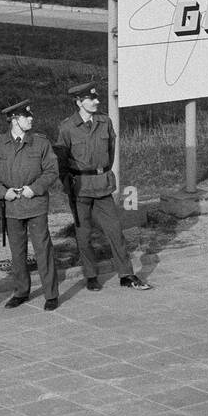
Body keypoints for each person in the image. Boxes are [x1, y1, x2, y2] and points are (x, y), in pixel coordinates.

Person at [55, 82, 151, 287]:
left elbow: (111, 149)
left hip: (102, 186)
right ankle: (90, 276)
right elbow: (61, 162)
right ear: (79, 102)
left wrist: (102, 172)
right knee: (84, 234)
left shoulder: (104, 122)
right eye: (91, 99)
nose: (97, 101)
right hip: (79, 188)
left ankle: (126, 274)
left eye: (96, 97)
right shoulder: (67, 127)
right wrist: (69, 186)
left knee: (115, 231)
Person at [0, 100, 60, 312]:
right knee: (17, 252)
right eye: (26, 116)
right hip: (11, 206)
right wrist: (3, 192)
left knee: (42, 249)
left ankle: (51, 294)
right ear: (14, 120)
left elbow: (51, 171)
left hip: (35, 203)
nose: (31, 119)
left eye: (30, 115)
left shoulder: (41, 143)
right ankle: (21, 291)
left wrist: (35, 188)